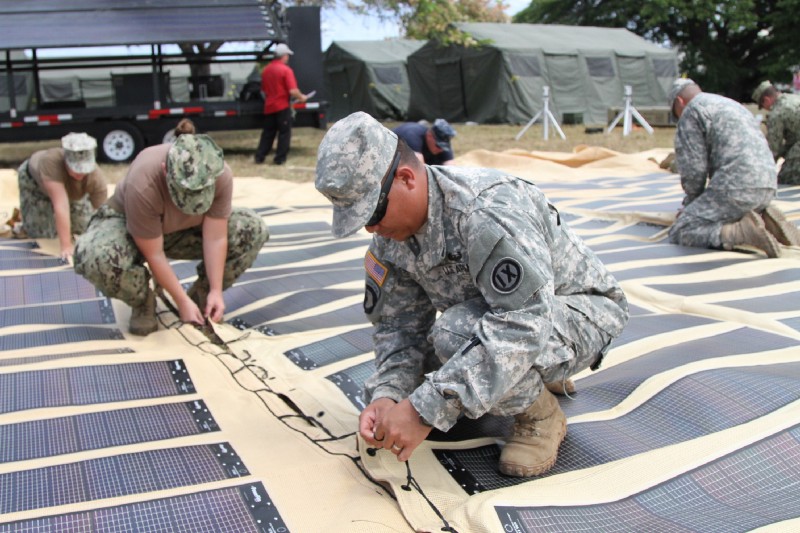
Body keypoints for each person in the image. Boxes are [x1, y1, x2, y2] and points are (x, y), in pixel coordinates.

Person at [314, 112, 629, 477]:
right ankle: (534, 374)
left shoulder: (484, 211)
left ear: (406, 178)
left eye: (374, 211)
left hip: (582, 311)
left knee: (455, 337)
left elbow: (523, 322)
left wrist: (422, 412)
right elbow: (397, 326)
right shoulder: (390, 238)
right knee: (437, 359)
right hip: (508, 315)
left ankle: (540, 416)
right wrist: (390, 395)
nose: (371, 226)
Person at [73, 119, 269, 336]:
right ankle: (141, 301)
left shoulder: (219, 173)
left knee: (252, 228)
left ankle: (202, 295)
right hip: (130, 229)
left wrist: (215, 290)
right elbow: (154, 253)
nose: (191, 204)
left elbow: (215, 238)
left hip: (179, 232)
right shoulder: (143, 182)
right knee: (94, 255)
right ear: (166, 170)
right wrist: (180, 300)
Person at [668, 78, 800, 257]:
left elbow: (694, 170)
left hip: (737, 186)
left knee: (683, 229)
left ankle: (741, 232)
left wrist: (691, 204)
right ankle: (762, 217)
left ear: (679, 101)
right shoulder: (731, 104)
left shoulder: (691, 111)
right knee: (727, 207)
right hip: (768, 183)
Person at [16, 132, 107, 261]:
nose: (80, 174)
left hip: (69, 191)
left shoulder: (97, 179)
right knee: (45, 235)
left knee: (83, 228)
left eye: (84, 170)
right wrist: (66, 246)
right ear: (66, 161)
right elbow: (61, 205)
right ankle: (27, 219)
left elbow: (104, 214)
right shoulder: (51, 162)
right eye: (76, 169)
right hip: (36, 186)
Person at [254, 43, 308, 165]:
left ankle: (260, 157)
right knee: (284, 133)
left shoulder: (266, 70)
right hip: (282, 106)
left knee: (268, 133)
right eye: (287, 55)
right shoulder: (286, 70)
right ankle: (279, 158)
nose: (288, 57)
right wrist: (302, 97)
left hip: (269, 106)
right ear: (283, 56)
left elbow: (263, 89)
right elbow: (292, 90)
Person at [752, 80, 800, 185]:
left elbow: (773, 150)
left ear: (766, 100)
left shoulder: (776, 114)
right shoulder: (794, 98)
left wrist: (761, 174)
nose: (765, 109)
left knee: (785, 179)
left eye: (762, 106)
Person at [392, 119, 457, 166]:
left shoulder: (442, 144)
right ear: (429, 135)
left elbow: (450, 169)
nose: (441, 150)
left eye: (444, 147)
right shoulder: (412, 136)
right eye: (438, 146)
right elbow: (418, 170)